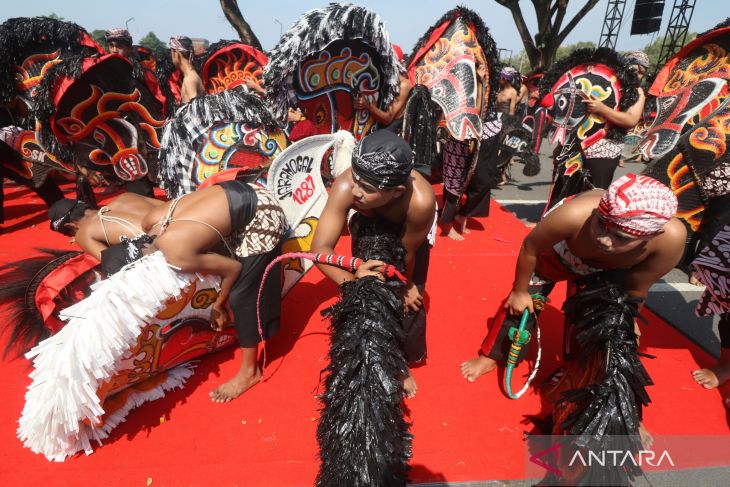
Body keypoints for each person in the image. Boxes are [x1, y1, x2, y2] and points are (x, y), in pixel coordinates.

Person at [461, 174, 686, 382]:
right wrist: (519, 291)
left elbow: (637, 287)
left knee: (600, 324)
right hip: (557, 256)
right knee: (520, 307)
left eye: (620, 237)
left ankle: (575, 367)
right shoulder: (574, 215)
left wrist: (631, 319)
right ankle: (493, 355)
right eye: (600, 224)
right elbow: (530, 247)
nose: (604, 239)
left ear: (652, 236)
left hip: (607, 271)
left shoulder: (670, 242)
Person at [311, 130, 436, 398]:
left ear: (396, 192)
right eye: (356, 179)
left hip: (406, 237)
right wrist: (354, 281)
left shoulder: (421, 202)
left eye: (367, 189)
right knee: (365, 300)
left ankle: (400, 364)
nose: (355, 190)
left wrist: (406, 285)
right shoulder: (347, 186)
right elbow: (320, 249)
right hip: (366, 232)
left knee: (408, 304)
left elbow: (407, 253)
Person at [141, 178, 287, 402]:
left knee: (240, 295)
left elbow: (232, 268)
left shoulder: (175, 253)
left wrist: (218, 305)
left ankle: (250, 372)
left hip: (264, 217)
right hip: (248, 190)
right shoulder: (150, 219)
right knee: (227, 266)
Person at [581, 51, 648, 189]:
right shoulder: (604, 82)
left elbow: (630, 119)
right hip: (578, 145)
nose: (637, 74)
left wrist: (602, 109)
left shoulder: (637, 92)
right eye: (634, 69)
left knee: (592, 194)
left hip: (605, 150)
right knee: (563, 190)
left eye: (642, 72)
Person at [48, 193, 162, 262]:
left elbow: (114, 266)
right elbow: (172, 206)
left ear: (72, 226)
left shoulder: (83, 233)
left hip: (168, 252)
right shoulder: (127, 196)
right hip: (177, 228)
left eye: (69, 234)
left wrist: (80, 237)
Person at [352, 45, 412, 134]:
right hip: (372, 131)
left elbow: (387, 118)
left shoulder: (404, 85)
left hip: (388, 134)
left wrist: (367, 105)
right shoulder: (378, 80)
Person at [169, 36, 205, 104]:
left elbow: (195, 108)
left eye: (171, 54)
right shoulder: (192, 75)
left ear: (177, 53)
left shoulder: (189, 80)